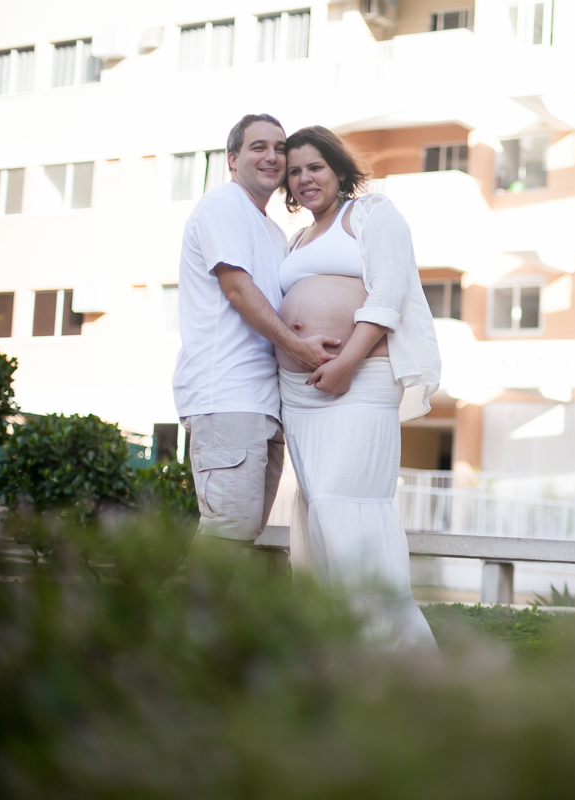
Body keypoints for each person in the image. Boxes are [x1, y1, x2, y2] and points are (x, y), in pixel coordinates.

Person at [277, 125, 440, 655]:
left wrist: (345, 362)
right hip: (301, 393)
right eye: (294, 170)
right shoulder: (297, 238)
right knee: (318, 513)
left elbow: (389, 292)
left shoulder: (371, 214)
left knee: (342, 504)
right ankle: (330, 647)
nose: (304, 179)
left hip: (361, 380)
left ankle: (391, 653)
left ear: (339, 169)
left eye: (314, 167)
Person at [173, 114, 339, 571]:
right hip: (226, 395)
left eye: (279, 148)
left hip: (263, 402)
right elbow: (238, 290)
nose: (272, 157)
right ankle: (166, 634)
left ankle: (204, 634)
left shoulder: (271, 231)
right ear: (232, 159)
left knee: (241, 531)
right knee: (227, 530)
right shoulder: (222, 206)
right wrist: (302, 348)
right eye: (258, 147)